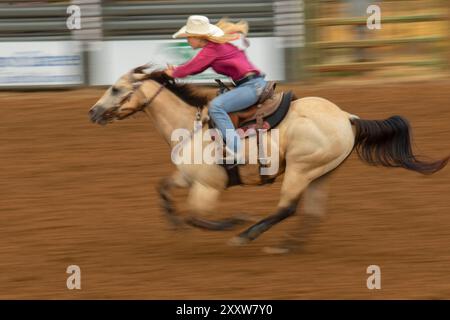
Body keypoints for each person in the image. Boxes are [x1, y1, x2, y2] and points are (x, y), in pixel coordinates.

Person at [164, 15, 267, 163]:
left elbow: (194, 66)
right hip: (252, 85)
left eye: (188, 36)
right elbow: (195, 67)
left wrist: (174, 72)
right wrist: (178, 70)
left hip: (251, 86)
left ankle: (237, 150)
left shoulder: (212, 49)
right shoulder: (214, 47)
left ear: (198, 37)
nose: (187, 40)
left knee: (216, 107)